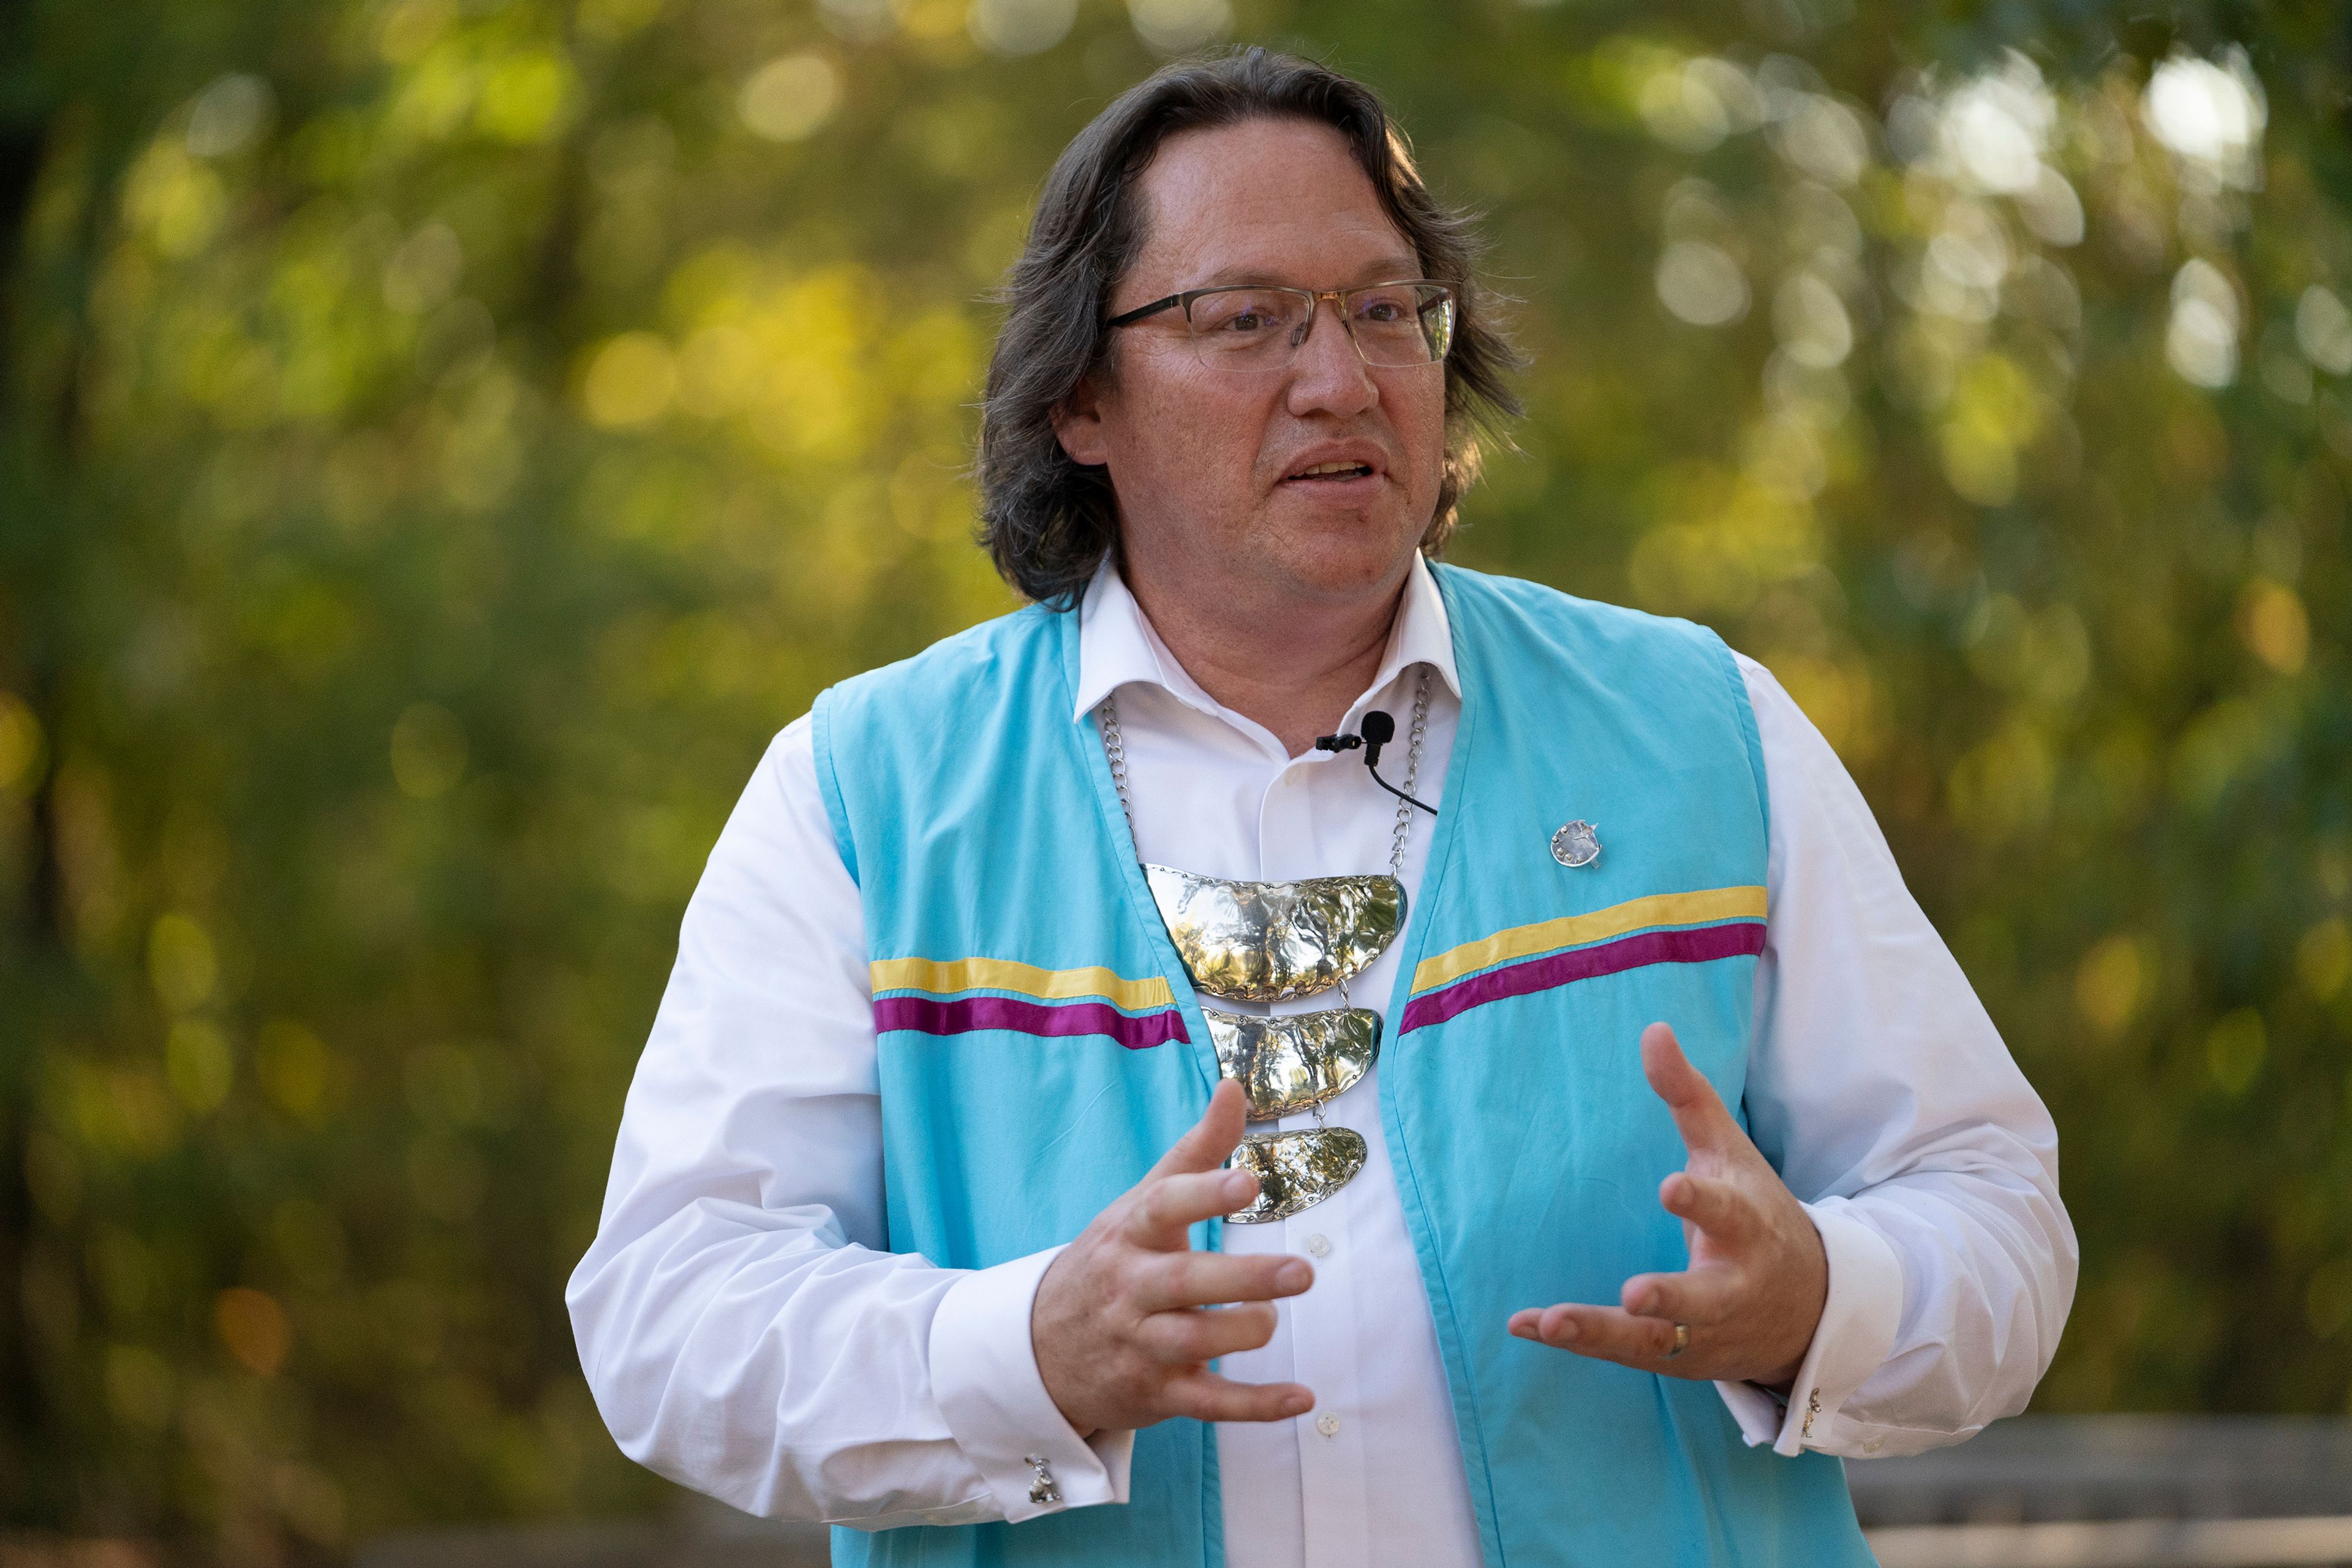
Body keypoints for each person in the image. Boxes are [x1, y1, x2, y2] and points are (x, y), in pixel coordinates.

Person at [567, 47, 2076, 1568]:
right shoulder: (861, 794)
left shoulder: (1707, 727)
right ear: (1081, 394)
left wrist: (1826, 1295)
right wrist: (1018, 1346)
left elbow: (1997, 1213)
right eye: (1246, 321)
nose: (1343, 378)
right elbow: (670, 1311)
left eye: (1381, 311)